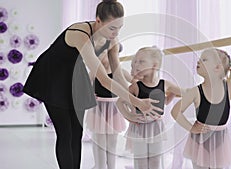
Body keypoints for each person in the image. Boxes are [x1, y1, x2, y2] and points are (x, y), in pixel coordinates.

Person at [22, 1, 162, 169]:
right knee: (65, 133)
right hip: (53, 75)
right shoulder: (79, 34)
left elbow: (116, 75)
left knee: (77, 132)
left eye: (119, 27)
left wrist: (134, 95)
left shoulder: (112, 40)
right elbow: (103, 79)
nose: (116, 33)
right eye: (112, 28)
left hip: (76, 75)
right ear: (98, 21)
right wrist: (137, 102)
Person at [117, 46, 185, 169]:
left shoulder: (165, 84)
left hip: (156, 127)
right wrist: (129, 116)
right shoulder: (135, 86)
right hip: (140, 127)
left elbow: (183, 93)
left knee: (155, 161)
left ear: (155, 65)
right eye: (135, 61)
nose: (136, 64)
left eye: (141, 61)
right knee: (141, 162)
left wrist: (169, 96)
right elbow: (120, 102)